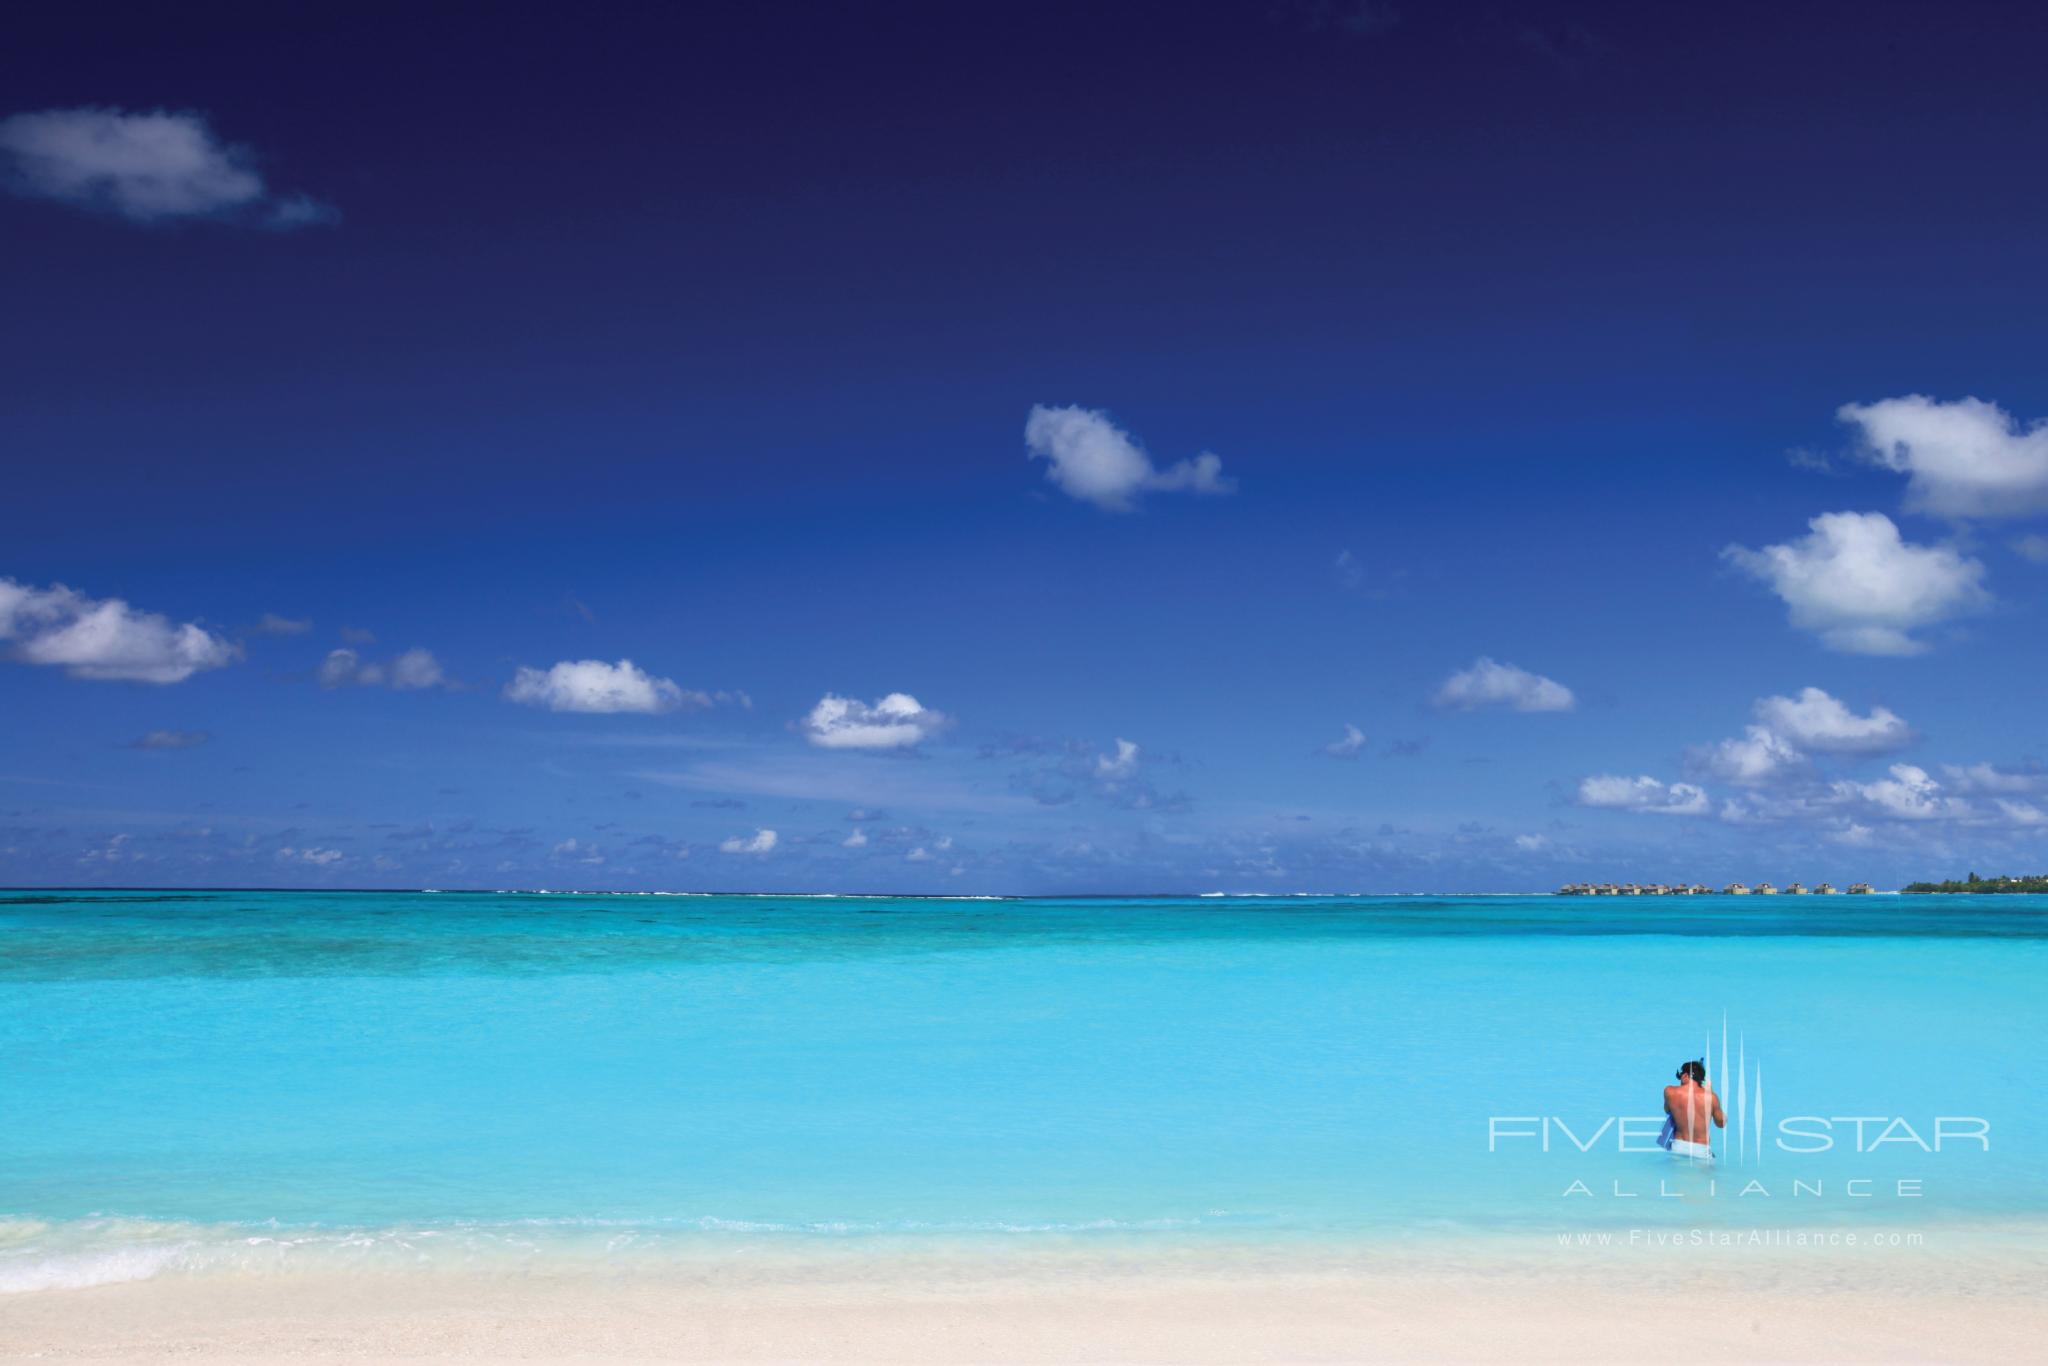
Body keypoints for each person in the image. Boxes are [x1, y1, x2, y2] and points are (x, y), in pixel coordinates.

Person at [1662, 1059, 1723, 1162]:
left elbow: (1667, 1110)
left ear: (1685, 1075)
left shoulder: (1669, 1091)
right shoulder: (1711, 1097)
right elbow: (1721, 1123)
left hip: (1678, 1147)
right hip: (1701, 1150)